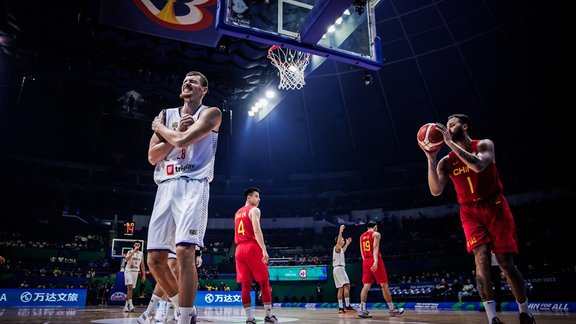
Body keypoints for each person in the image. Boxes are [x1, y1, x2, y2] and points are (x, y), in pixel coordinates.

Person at [419, 113, 536, 324]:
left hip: (495, 205)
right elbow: (435, 190)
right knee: (480, 257)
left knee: (505, 263)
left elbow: (478, 166)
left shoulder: (484, 145)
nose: (447, 128)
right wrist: (431, 159)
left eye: (452, 125)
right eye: (446, 126)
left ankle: (524, 311)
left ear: (464, 126)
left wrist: (448, 144)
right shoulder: (446, 161)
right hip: (470, 212)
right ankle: (492, 318)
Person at [146, 71, 222, 324]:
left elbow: (184, 139)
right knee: (155, 260)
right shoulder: (167, 115)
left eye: (194, 81)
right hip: (166, 185)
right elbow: (153, 157)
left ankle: (185, 316)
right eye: (184, 81)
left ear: (204, 90)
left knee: (184, 252)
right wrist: (173, 130)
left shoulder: (211, 113)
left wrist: (163, 131)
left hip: (194, 185)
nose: (187, 83)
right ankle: (182, 309)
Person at [234, 187, 279, 324]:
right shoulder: (254, 210)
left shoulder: (237, 213)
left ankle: (249, 319)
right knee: (264, 282)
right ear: (249, 197)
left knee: (245, 285)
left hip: (239, 249)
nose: (259, 199)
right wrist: (264, 249)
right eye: (256, 196)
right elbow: (257, 230)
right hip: (252, 248)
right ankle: (268, 316)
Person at [138, 251, 203, 324]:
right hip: (171, 243)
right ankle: (150, 312)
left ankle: (170, 314)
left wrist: (199, 253)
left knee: (175, 272)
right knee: (170, 269)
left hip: (180, 244)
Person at [358, 221, 404, 318]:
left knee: (366, 286)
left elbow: (361, 251)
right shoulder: (376, 234)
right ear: (375, 227)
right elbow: (375, 247)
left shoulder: (362, 236)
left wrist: (366, 261)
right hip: (375, 260)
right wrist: (375, 261)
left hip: (365, 261)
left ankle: (362, 309)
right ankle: (392, 309)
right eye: (377, 227)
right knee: (384, 285)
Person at [333, 224, 355, 314]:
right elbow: (339, 241)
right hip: (339, 268)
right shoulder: (337, 247)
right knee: (347, 286)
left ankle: (340, 308)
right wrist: (340, 231)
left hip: (336, 269)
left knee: (340, 288)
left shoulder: (340, 250)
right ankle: (347, 305)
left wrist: (347, 244)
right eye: (342, 240)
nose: (342, 240)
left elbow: (344, 250)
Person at [123, 241, 146, 313]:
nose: (137, 246)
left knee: (130, 290)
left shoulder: (141, 254)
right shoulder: (130, 251)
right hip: (128, 271)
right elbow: (126, 259)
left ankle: (126, 306)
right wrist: (133, 252)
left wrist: (144, 275)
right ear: (134, 245)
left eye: (138, 245)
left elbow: (142, 265)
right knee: (129, 287)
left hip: (136, 272)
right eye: (136, 244)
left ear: (140, 246)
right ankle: (131, 305)